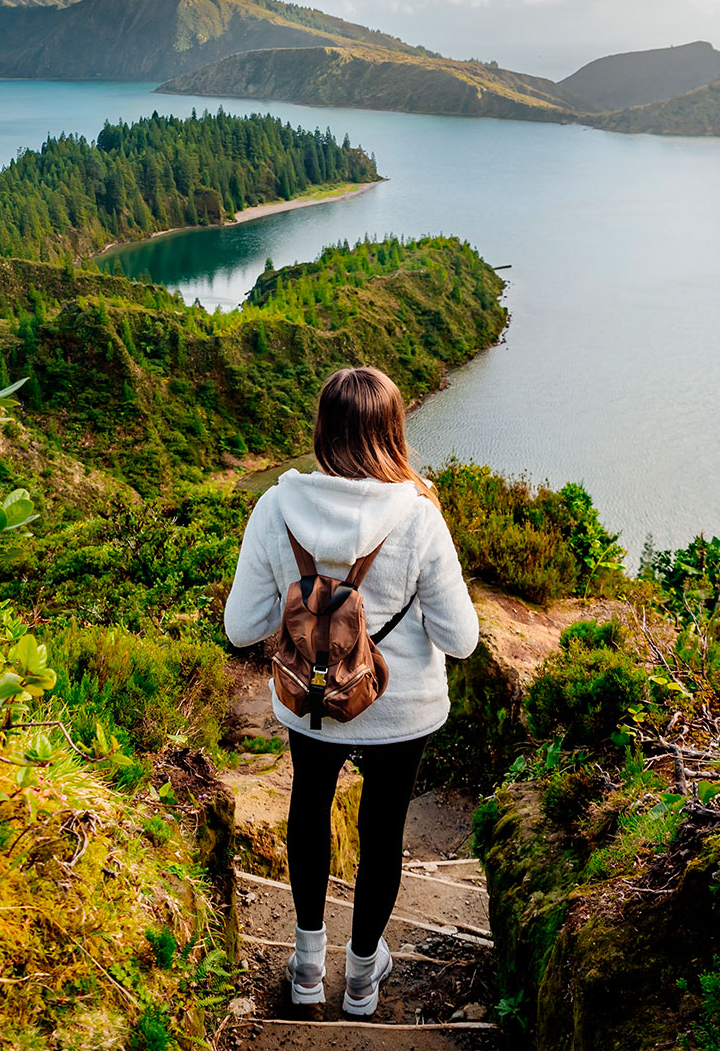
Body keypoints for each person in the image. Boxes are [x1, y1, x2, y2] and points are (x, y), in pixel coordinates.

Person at [224, 366, 479, 1016]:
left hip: (310, 700)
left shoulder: (276, 507)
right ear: (391, 433)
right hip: (401, 706)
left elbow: (243, 626)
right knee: (384, 828)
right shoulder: (419, 516)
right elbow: (461, 637)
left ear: (324, 428)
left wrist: (307, 609)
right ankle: (363, 977)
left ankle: (307, 967)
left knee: (309, 805)